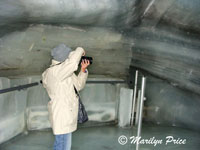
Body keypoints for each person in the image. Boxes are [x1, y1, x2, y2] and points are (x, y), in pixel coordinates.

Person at [42, 44, 90, 150]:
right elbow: (72, 63)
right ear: (64, 57)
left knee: (62, 144)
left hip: (67, 113)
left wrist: (83, 70)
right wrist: (80, 49)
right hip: (62, 114)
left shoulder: (63, 72)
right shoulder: (54, 72)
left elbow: (78, 85)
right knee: (63, 145)